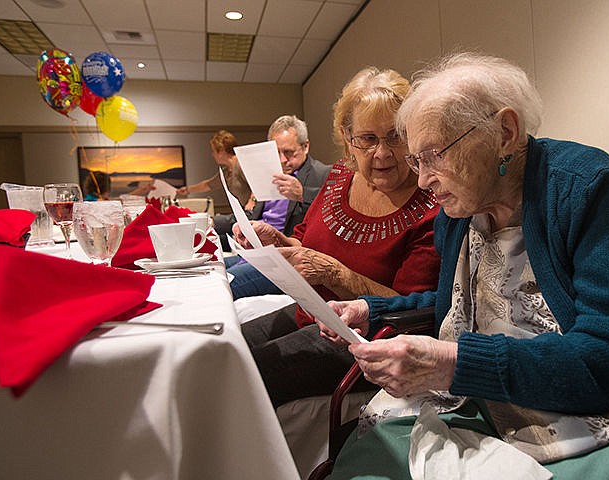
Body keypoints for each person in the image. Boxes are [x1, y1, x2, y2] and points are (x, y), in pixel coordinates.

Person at [321, 53, 609, 479]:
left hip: (596, 411)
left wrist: (453, 364)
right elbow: (460, 300)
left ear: (505, 132)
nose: (423, 180)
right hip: (477, 399)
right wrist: (370, 309)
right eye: (417, 161)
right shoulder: (460, 213)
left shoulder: (586, 186)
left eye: (433, 155)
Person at [233, 67, 442, 408]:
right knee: (225, 349)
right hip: (311, 313)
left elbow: (410, 311)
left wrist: (335, 273)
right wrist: (277, 241)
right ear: (348, 138)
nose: (382, 153)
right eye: (368, 139)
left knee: (244, 374)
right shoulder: (340, 176)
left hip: (362, 341)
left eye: (395, 136)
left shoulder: (429, 205)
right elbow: (306, 246)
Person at [217, 115, 331, 255]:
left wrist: (302, 194)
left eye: (288, 152)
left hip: (286, 255)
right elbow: (253, 214)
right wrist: (210, 222)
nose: (282, 160)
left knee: (229, 276)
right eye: (276, 152)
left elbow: (332, 208)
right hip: (254, 250)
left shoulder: (324, 174)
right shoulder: (268, 174)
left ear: (305, 146)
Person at [176, 130, 251, 205]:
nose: (213, 155)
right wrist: (188, 190)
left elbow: (257, 186)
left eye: (213, 151)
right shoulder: (226, 171)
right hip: (242, 212)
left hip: (252, 212)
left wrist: (252, 201)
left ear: (221, 152)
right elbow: (208, 185)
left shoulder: (241, 164)